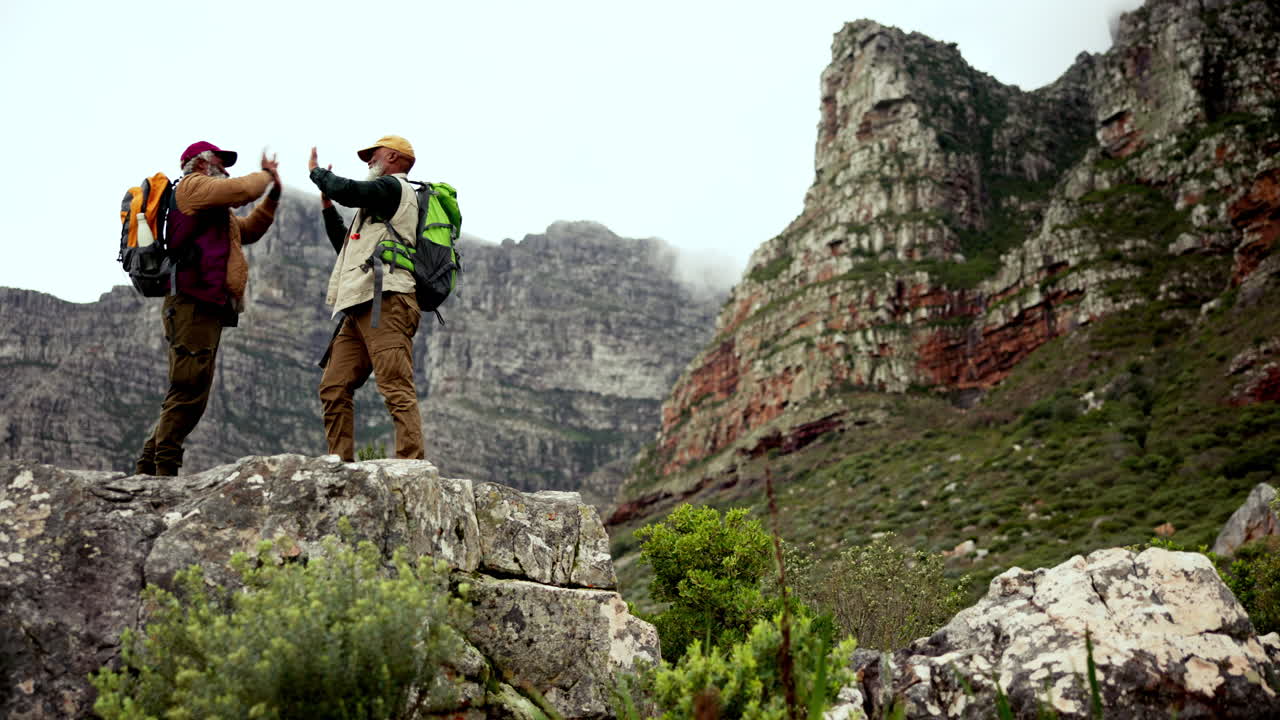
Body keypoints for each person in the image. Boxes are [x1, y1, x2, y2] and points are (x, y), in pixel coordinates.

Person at [134, 141, 281, 476]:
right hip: (192, 303)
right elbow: (242, 189)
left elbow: (249, 230)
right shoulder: (193, 187)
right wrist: (265, 176)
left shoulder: (214, 211)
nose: (225, 168)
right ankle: (161, 470)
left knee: (191, 391)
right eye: (220, 161)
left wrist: (272, 196)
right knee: (188, 389)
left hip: (204, 306)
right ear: (200, 164)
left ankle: (149, 467)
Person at [308, 135, 425, 461]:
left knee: (395, 385)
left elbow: (351, 190)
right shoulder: (379, 206)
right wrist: (328, 207)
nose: (368, 163)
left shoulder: (394, 188)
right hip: (361, 303)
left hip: (388, 300)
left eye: (372, 157)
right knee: (334, 386)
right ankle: (339, 464)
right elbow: (346, 249)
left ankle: (411, 465)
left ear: (392, 156)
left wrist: (318, 174)